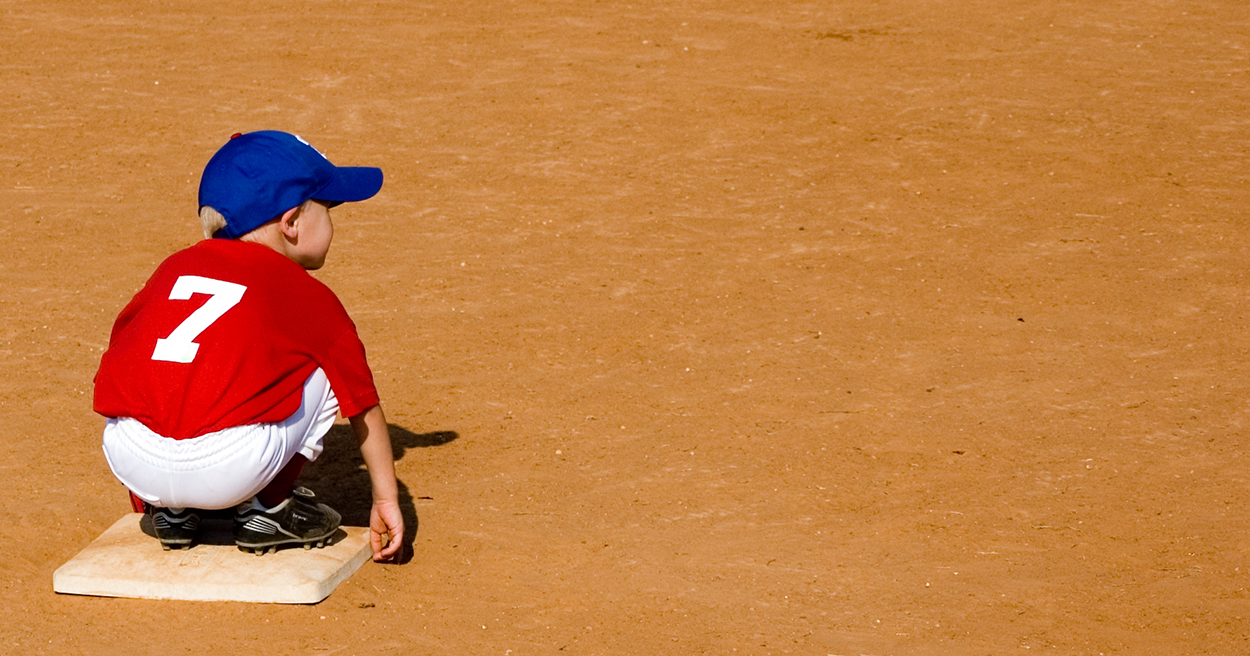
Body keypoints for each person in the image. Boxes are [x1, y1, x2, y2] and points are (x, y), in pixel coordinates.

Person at [93, 130, 403, 562]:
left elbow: (123, 356)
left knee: (153, 366)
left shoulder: (174, 268)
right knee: (328, 365)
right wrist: (386, 498)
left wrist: (157, 489)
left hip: (132, 459)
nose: (332, 222)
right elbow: (361, 402)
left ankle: (172, 512)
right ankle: (268, 508)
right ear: (291, 222)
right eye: (328, 208)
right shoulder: (304, 292)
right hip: (230, 468)